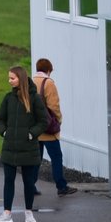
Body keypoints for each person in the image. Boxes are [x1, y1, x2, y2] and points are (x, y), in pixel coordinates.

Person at [0, 65, 48, 222]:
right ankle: (7, 214)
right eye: (9, 77)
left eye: (12, 78)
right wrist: (4, 132)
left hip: (29, 149)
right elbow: (0, 119)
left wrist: (31, 134)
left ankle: (29, 212)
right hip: (10, 148)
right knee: (8, 181)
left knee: (28, 183)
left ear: (21, 79)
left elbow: (43, 121)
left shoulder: (35, 98)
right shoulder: (8, 98)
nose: (9, 80)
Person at [34, 58, 77, 197]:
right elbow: (54, 106)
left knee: (35, 159)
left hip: (34, 128)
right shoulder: (49, 83)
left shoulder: (30, 81)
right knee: (56, 157)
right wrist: (58, 120)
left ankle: (31, 186)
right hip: (48, 129)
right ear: (48, 70)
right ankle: (61, 186)